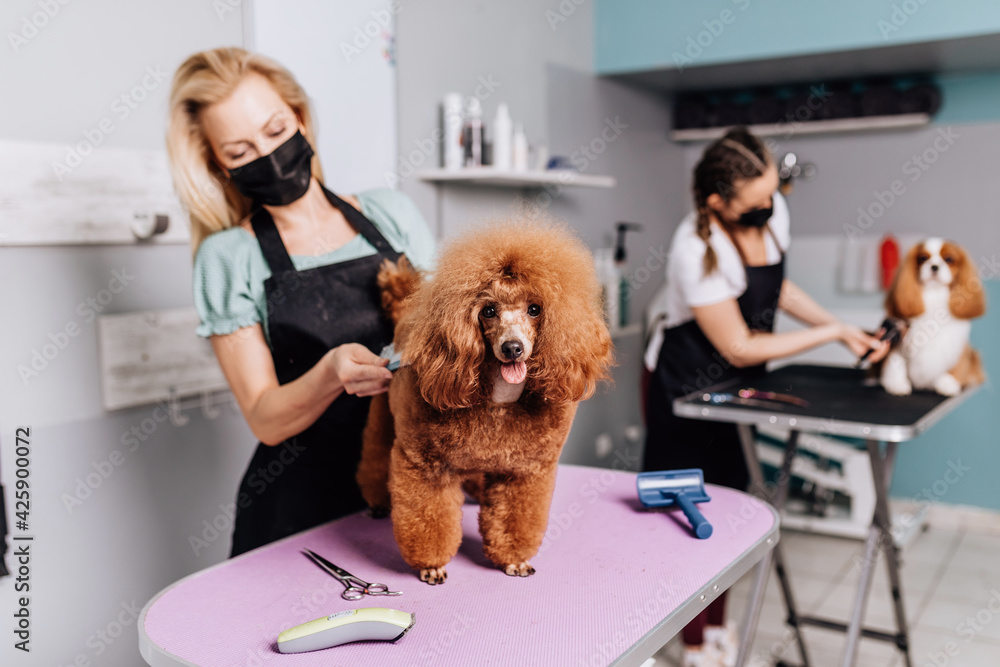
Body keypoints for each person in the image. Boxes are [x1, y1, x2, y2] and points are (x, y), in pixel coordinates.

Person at [166, 47, 435, 558]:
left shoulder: (391, 213)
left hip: (410, 476)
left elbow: (454, 332)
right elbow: (265, 418)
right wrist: (330, 373)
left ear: (301, 119)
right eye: (240, 151)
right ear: (217, 164)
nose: (268, 155)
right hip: (298, 506)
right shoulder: (229, 257)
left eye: (274, 130)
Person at [642, 127, 888, 667]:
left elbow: (779, 289)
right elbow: (740, 344)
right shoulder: (694, 248)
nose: (769, 208)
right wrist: (828, 337)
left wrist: (842, 326)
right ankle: (691, 645)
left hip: (732, 385)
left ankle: (719, 634)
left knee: (726, 508)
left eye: (773, 194)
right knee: (681, 517)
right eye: (754, 204)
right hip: (682, 384)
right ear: (717, 203)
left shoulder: (771, 210)